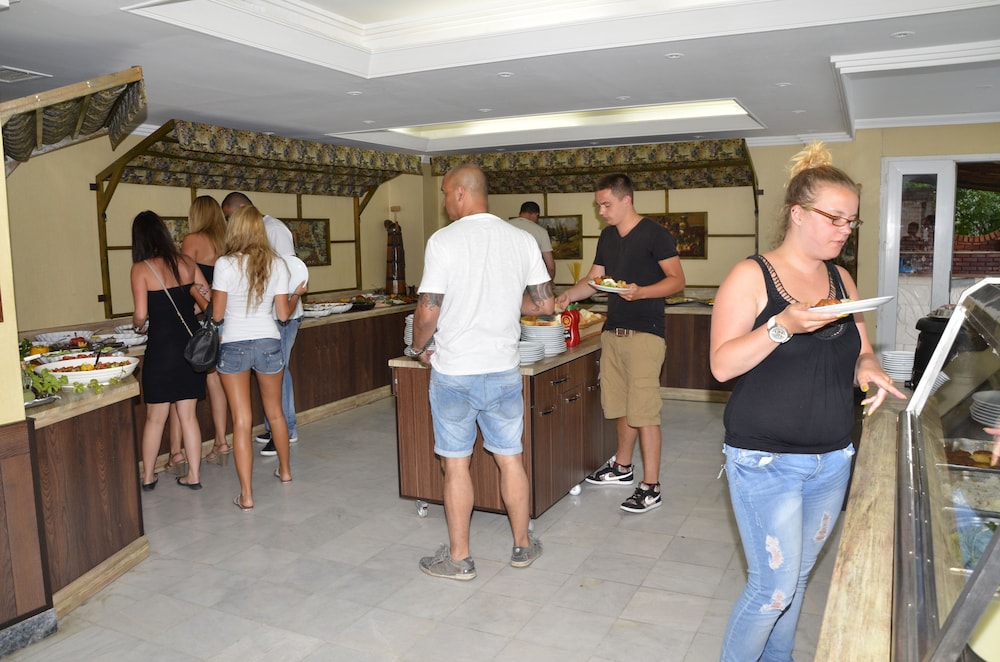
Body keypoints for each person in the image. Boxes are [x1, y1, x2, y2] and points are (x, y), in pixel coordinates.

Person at [709, 142, 906, 661]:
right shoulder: (751, 276)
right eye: (834, 218)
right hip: (765, 459)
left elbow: (861, 351)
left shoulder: (841, 279)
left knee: (794, 581)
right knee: (771, 589)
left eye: (851, 221)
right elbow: (722, 365)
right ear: (797, 214)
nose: (845, 230)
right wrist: (782, 325)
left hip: (831, 458)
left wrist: (869, 369)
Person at [410, 163, 554, 580]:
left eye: (444, 193)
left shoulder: (443, 241)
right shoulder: (522, 239)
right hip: (503, 370)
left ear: (460, 192)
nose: (444, 202)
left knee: (456, 465)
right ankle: (523, 546)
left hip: (455, 371)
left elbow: (428, 311)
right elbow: (544, 305)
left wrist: (417, 348)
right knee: (510, 459)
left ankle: (459, 559)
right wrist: (504, 302)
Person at [556, 173, 685, 513]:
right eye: (598, 205)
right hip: (613, 331)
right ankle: (622, 467)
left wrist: (641, 292)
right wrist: (569, 295)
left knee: (645, 411)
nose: (601, 211)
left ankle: (651, 486)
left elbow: (676, 281)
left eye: (606, 205)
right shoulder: (608, 236)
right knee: (619, 405)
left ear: (626, 200)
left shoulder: (655, 234)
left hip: (646, 333)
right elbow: (595, 280)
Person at [212, 205, 307, 511]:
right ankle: (286, 471)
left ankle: (247, 495)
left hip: (234, 345)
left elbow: (217, 314)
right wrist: (298, 293)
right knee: (275, 412)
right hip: (268, 341)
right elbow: (283, 314)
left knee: (241, 421)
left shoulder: (224, 264)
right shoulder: (276, 264)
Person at [130, 210, 211, 492]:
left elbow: (141, 315)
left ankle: (148, 478)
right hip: (190, 346)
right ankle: (194, 475)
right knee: (188, 415)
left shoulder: (141, 269)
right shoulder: (187, 262)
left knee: (155, 417)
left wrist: (137, 324)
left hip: (161, 349)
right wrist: (190, 309)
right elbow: (207, 296)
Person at [221, 192, 304, 456]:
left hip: (255, 330)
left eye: (229, 217)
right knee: (273, 402)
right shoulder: (267, 260)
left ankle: (286, 431)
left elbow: (292, 270)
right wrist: (293, 297)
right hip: (268, 329)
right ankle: (282, 453)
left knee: (244, 417)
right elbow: (278, 302)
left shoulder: (273, 231)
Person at [165, 196, 232, 466]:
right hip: (228, 317)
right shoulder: (228, 242)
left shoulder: (192, 240)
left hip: (203, 320)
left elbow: (183, 280)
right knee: (217, 383)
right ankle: (221, 442)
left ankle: (177, 452)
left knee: (182, 390)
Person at [507, 201, 556, 280]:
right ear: (536, 214)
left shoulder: (503, 227)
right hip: (530, 280)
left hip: (505, 278)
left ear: (520, 213)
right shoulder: (541, 232)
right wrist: (549, 282)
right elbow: (550, 267)